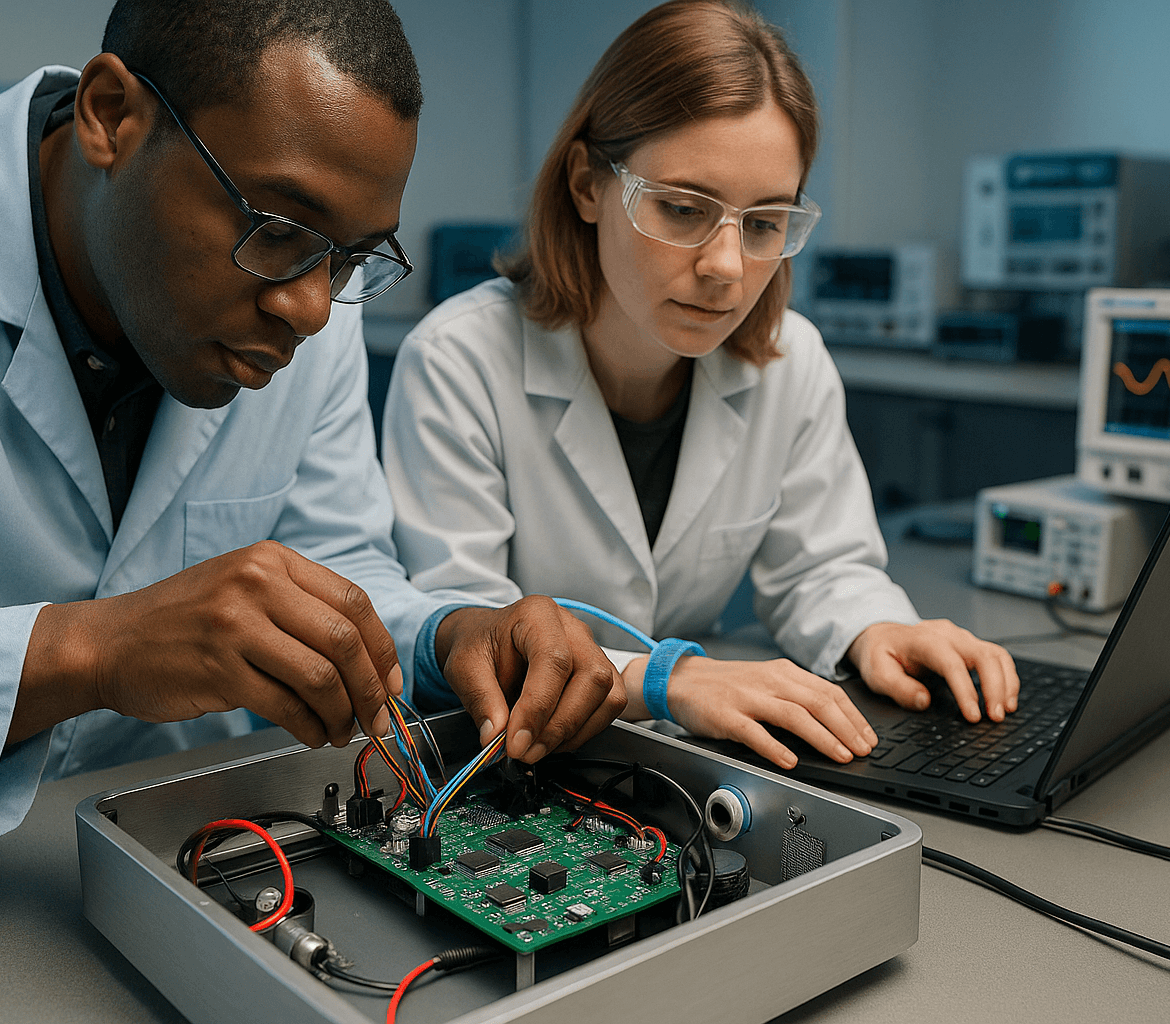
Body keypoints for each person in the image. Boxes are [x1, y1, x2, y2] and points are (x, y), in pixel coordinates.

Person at [0, 0, 624, 836]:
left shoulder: (311, 299)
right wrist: (87, 652)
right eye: (276, 228)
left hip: (194, 857)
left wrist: (448, 637)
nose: (310, 308)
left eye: (349, 256)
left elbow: (335, 563)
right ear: (111, 116)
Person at [382, 0, 1019, 772]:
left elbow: (822, 568)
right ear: (587, 185)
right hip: (510, 768)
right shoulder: (459, 360)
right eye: (683, 210)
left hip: (676, 760)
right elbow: (470, 640)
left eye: (762, 224)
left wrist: (875, 627)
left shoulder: (791, 360)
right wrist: (666, 677)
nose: (726, 267)